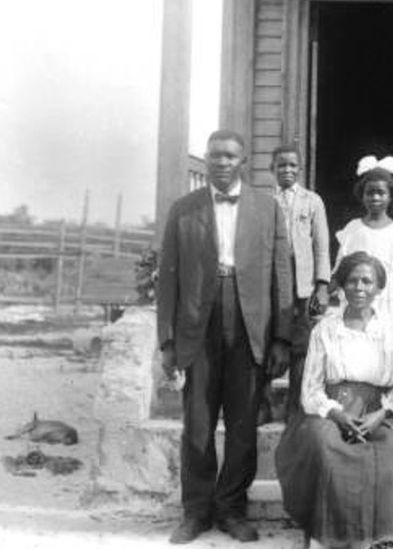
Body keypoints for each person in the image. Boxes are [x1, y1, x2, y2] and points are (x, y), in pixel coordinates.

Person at [156, 129, 293, 544]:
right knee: (197, 424)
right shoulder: (183, 210)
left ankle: (232, 508)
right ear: (207, 158)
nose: (220, 162)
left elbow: (282, 277)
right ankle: (196, 511)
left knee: (242, 425)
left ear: (243, 161)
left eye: (230, 156)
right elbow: (168, 282)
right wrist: (167, 342)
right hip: (198, 321)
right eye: (214, 155)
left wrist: (281, 339)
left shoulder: (267, 209)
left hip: (251, 321)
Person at [276, 251, 393, 549]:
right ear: (342, 286)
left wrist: (381, 414)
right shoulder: (326, 329)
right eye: (352, 281)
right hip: (334, 409)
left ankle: (378, 537)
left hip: (380, 411)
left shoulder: (392, 330)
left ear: (379, 288)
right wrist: (336, 414)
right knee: (323, 446)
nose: (359, 288)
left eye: (367, 281)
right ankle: (326, 535)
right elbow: (310, 389)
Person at [271, 144, 331, 418]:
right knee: (268, 340)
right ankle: (262, 404)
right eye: (281, 165)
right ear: (273, 168)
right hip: (272, 282)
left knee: (302, 345)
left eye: (292, 165)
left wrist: (322, 285)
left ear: (300, 169)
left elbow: (321, 246)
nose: (287, 170)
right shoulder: (265, 201)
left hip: (303, 283)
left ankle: (296, 407)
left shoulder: (312, 201)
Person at [334, 155, 393, 324]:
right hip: (357, 298)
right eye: (370, 193)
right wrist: (322, 294)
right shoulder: (353, 228)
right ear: (362, 196)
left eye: (381, 193)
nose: (375, 198)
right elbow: (340, 269)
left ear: (390, 196)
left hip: (387, 300)